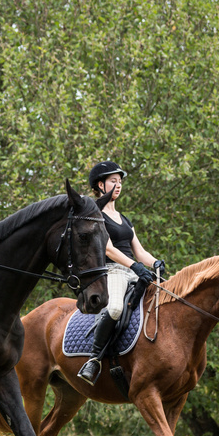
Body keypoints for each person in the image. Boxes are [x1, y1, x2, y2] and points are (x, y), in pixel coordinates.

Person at [77, 160, 165, 385]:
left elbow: (140, 252)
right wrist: (133, 265)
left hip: (132, 270)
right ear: (100, 185)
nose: (118, 185)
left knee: (164, 298)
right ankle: (94, 359)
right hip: (112, 271)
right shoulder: (95, 213)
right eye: (113, 181)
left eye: (120, 182)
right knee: (115, 308)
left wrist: (155, 263)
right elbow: (108, 249)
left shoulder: (124, 219)